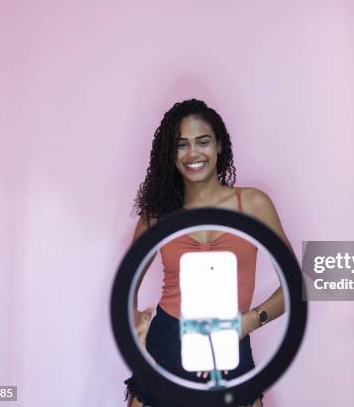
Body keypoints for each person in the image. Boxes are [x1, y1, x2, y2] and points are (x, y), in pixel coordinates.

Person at [124, 99, 291, 407]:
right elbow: (127, 281)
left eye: (202, 142)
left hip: (232, 343)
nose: (193, 154)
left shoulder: (253, 205)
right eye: (181, 145)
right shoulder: (157, 215)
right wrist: (134, 319)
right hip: (168, 345)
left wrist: (250, 322)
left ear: (219, 146)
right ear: (170, 155)